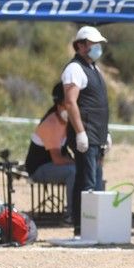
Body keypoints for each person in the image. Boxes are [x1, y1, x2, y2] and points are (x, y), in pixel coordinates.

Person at [62, 25, 112, 236]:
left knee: (95, 181)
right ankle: (81, 228)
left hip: (96, 135)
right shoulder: (74, 69)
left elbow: (98, 103)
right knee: (86, 181)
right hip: (86, 134)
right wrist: (80, 132)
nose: (97, 47)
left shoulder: (94, 68)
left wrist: (104, 133)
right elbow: (71, 103)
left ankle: (92, 226)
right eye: (92, 43)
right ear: (80, 45)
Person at [24, 82, 76, 222]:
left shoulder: (66, 121)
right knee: (73, 171)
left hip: (52, 165)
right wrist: (76, 162)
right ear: (59, 105)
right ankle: (72, 214)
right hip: (38, 169)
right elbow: (57, 159)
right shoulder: (51, 123)